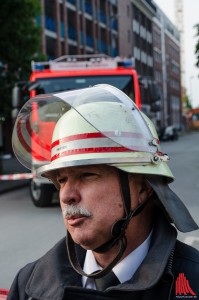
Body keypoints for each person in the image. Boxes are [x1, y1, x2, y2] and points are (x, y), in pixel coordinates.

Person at [9, 84, 199, 300]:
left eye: (87, 175)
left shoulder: (193, 282)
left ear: (144, 187)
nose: (65, 195)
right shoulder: (29, 285)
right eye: (61, 180)